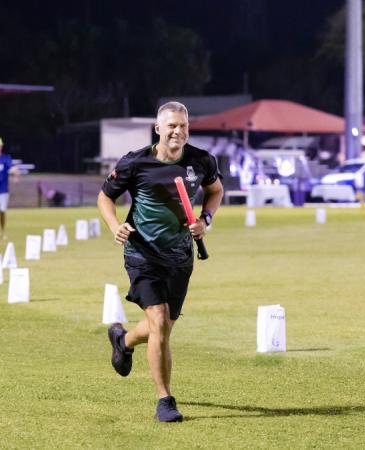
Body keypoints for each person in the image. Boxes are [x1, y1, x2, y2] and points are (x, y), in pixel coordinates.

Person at [97, 102, 223, 422]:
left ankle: (123, 341)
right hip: (142, 253)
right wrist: (115, 226)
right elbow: (105, 196)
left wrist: (205, 219)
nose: (178, 131)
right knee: (159, 320)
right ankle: (165, 400)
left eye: (183, 125)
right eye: (171, 126)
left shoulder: (201, 160)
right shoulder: (135, 163)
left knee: (162, 327)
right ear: (158, 128)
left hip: (180, 256)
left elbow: (216, 190)